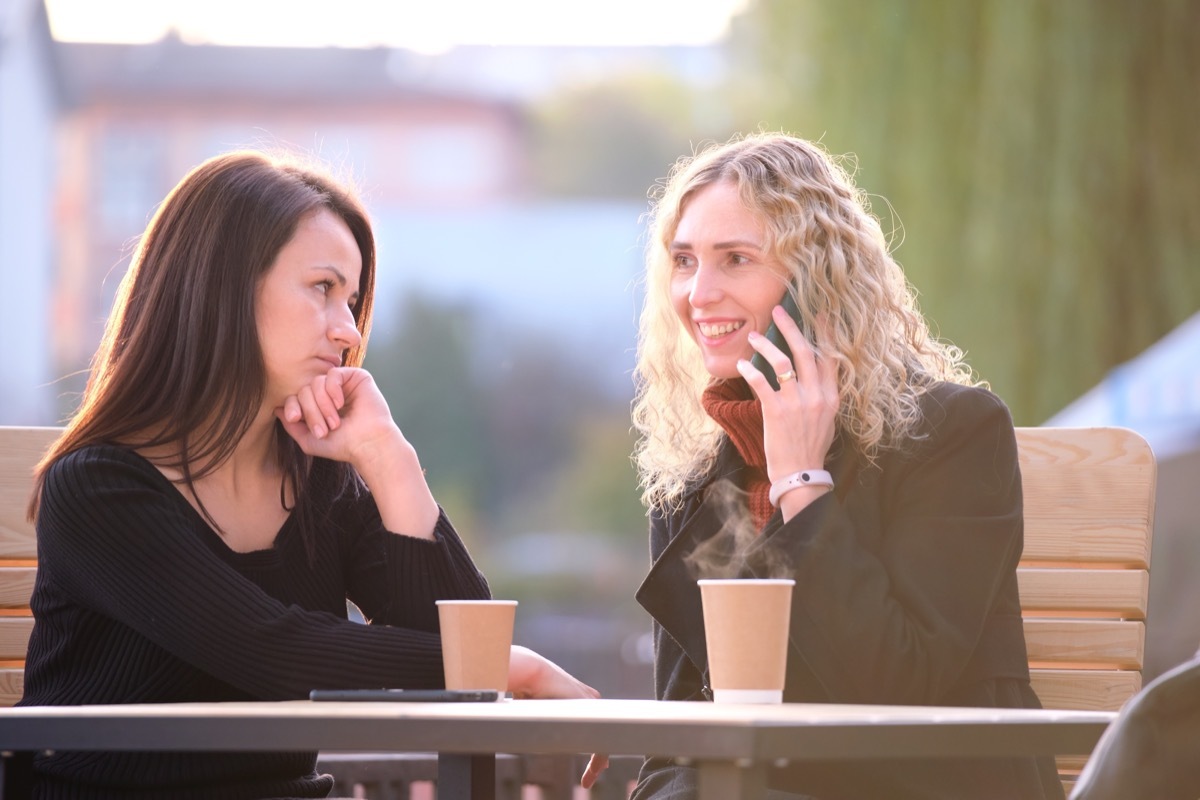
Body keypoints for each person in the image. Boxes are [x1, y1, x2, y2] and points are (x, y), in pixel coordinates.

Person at [19, 150, 597, 799]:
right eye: (324, 289)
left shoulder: (321, 479)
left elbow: (456, 642)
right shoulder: (97, 489)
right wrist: (506, 667)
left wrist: (388, 457)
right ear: (224, 286)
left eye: (352, 300)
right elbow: (270, 651)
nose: (349, 330)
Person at [628, 133, 1064, 799]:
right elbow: (680, 740)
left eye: (735, 260)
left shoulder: (956, 433)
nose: (698, 293)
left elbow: (896, 688)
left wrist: (801, 482)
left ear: (814, 282)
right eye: (684, 261)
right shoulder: (693, 479)